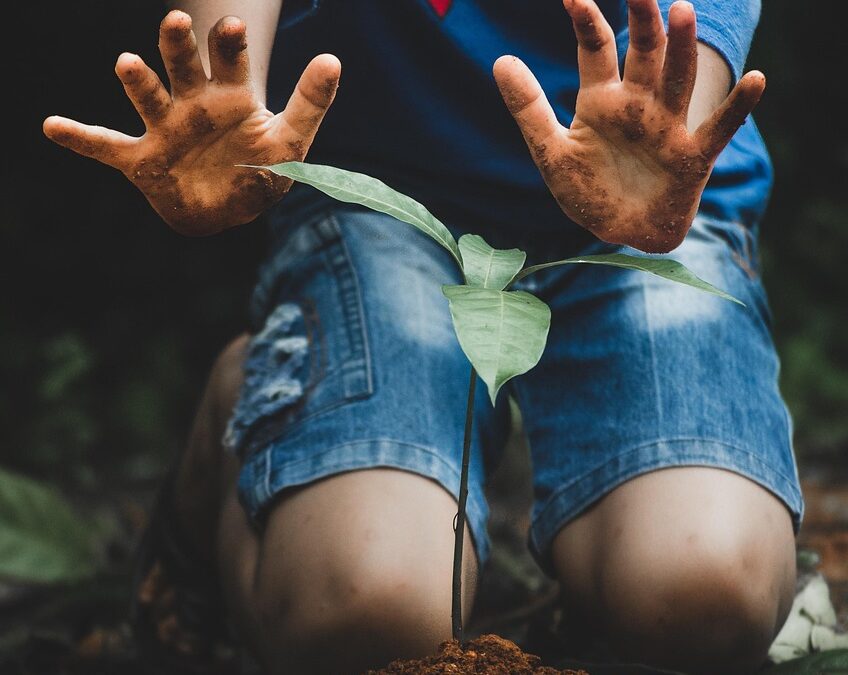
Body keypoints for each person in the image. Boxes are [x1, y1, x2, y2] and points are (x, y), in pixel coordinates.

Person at [43, 0, 802, 673]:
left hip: (646, 198)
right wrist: (221, 97)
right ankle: (242, 407)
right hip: (385, 196)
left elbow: (684, 45)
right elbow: (225, 48)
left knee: (707, 591)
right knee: (369, 611)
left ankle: (603, 587)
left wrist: (672, 131)